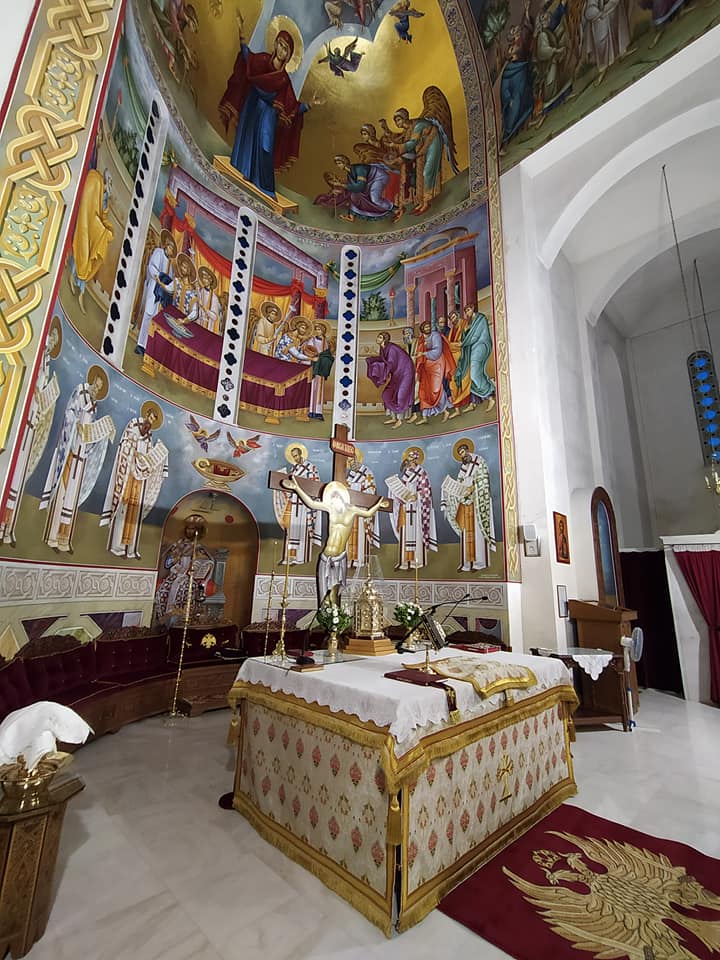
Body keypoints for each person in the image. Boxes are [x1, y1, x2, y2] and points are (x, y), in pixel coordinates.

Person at [218, 17, 316, 198]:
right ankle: (243, 171)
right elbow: (248, 59)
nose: (281, 50)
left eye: (285, 49)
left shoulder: (284, 79)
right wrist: (241, 37)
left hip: (268, 113)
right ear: (275, 44)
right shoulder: (263, 60)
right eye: (280, 45)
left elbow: (291, 106)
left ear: (289, 55)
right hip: (252, 104)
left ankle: (265, 186)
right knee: (247, 135)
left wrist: (309, 105)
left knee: (265, 146)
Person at [39, 365, 116, 553]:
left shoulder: (94, 406)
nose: (96, 389)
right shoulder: (80, 393)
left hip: (81, 456)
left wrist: (100, 436)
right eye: (96, 385)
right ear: (92, 381)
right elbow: (69, 414)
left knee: (71, 498)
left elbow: (90, 431)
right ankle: (52, 536)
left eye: (99, 388)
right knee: (62, 493)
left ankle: (64, 539)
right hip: (70, 452)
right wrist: (77, 426)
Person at [281, 474, 388, 607]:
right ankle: (325, 616)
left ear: (341, 498)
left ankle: (336, 616)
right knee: (323, 595)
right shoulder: (330, 508)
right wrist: (297, 488)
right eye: (331, 498)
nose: (332, 501)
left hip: (340, 557)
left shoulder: (352, 509)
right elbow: (311, 503)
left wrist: (378, 504)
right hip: (326, 557)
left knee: (335, 593)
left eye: (335, 498)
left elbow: (368, 513)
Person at [0, 317, 62, 546]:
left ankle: (7, 527)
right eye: (50, 339)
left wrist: (44, 396)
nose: (51, 344)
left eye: (53, 342)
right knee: (8, 471)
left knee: (18, 476)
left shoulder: (46, 364)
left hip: (31, 425)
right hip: (18, 421)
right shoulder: (35, 354)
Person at [100, 401, 169, 559]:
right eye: (150, 417)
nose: (150, 422)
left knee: (134, 509)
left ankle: (129, 548)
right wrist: (135, 453)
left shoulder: (149, 436)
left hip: (140, 478)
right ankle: (117, 545)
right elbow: (125, 443)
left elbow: (149, 457)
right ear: (146, 415)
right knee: (124, 505)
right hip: (128, 474)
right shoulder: (134, 424)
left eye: (153, 420)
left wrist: (157, 455)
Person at [441, 439, 496, 572]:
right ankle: (467, 563)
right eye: (460, 454)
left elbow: (483, 480)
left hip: (477, 502)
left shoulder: (479, 461)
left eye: (463, 452)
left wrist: (473, 488)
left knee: (477, 531)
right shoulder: (463, 468)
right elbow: (459, 483)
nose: (462, 455)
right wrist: (449, 488)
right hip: (465, 503)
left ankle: (479, 562)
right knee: (466, 532)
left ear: (468, 450)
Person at [69, 168, 114, 314]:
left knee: (91, 258)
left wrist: (106, 231)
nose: (110, 186)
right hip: (86, 225)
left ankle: (81, 293)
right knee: (82, 252)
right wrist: (101, 228)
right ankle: (72, 278)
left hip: (94, 231)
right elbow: (89, 207)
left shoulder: (105, 196)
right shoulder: (95, 180)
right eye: (110, 182)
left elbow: (103, 215)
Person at [154, 515, 215, 622]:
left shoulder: (199, 547)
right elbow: (168, 563)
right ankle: (166, 616)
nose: (189, 531)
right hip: (176, 574)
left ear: (198, 531)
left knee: (184, 589)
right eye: (188, 528)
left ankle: (181, 617)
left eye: (192, 529)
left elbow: (208, 563)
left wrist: (198, 564)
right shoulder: (178, 544)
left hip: (191, 578)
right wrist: (174, 558)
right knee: (165, 589)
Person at [385, 446, 437, 570]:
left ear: (415, 460)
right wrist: (395, 492)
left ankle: (416, 561)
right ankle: (404, 562)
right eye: (407, 459)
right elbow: (401, 490)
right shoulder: (406, 474)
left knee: (416, 533)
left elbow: (426, 491)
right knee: (405, 533)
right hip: (405, 508)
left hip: (417, 508)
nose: (408, 461)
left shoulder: (421, 473)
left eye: (410, 459)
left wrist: (417, 496)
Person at [272, 443, 322, 565]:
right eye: (293, 456)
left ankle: (300, 558)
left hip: (305, 504)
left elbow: (314, 484)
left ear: (301, 454)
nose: (295, 458)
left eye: (296, 455)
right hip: (294, 502)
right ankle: (289, 557)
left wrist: (305, 494)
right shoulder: (294, 470)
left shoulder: (311, 467)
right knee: (290, 528)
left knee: (302, 530)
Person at [136, 230, 177, 355]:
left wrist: (167, 285)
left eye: (172, 249)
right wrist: (159, 277)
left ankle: (148, 347)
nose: (170, 250)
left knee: (155, 318)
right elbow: (152, 267)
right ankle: (141, 344)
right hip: (154, 288)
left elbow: (170, 280)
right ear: (166, 246)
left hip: (162, 294)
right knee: (148, 314)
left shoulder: (171, 264)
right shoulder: (158, 252)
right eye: (170, 247)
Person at [366, 331, 415, 429]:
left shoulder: (392, 348)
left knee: (400, 395)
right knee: (387, 394)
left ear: (384, 340)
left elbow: (390, 363)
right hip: (396, 373)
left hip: (406, 371)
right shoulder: (383, 348)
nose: (377, 339)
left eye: (380, 337)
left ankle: (399, 420)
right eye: (378, 337)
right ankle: (393, 417)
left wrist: (383, 376)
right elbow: (384, 360)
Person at [454, 303, 496, 412]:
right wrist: (465, 333)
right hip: (472, 349)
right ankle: (474, 402)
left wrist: (463, 343)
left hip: (481, 346)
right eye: (465, 311)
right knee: (469, 374)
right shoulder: (470, 323)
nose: (467, 313)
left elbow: (475, 336)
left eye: (468, 310)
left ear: (472, 309)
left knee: (474, 374)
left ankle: (490, 395)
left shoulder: (480, 318)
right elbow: (468, 336)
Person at [415, 319, 458, 423]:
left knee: (436, 389)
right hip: (426, 366)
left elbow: (437, 352)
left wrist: (424, 354)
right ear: (422, 329)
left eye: (429, 326)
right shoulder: (421, 338)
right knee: (424, 390)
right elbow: (419, 351)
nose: (428, 328)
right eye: (426, 327)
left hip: (437, 364)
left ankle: (445, 411)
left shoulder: (435, 335)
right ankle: (425, 417)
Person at [346, 450, 381, 569]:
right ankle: (349, 559)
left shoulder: (367, 472)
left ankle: (359, 560)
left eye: (352, 460)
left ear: (357, 459)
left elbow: (371, 490)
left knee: (360, 534)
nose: (351, 463)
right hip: (350, 509)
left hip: (361, 509)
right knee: (349, 533)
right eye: (349, 461)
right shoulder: (350, 475)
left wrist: (356, 489)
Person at [332, 154, 393, 222]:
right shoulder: (349, 174)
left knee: (375, 199)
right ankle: (351, 216)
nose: (338, 166)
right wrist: (341, 186)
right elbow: (353, 188)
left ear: (345, 162)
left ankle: (394, 209)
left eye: (339, 163)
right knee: (354, 196)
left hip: (379, 177)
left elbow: (360, 187)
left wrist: (342, 184)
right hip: (369, 181)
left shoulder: (359, 169)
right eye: (337, 164)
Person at [195, 266, 223, 335]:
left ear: (210, 281)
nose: (203, 280)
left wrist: (204, 309)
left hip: (207, 326)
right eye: (203, 278)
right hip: (198, 322)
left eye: (206, 279)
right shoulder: (200, 291)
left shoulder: (214, 298)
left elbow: (214, 317)